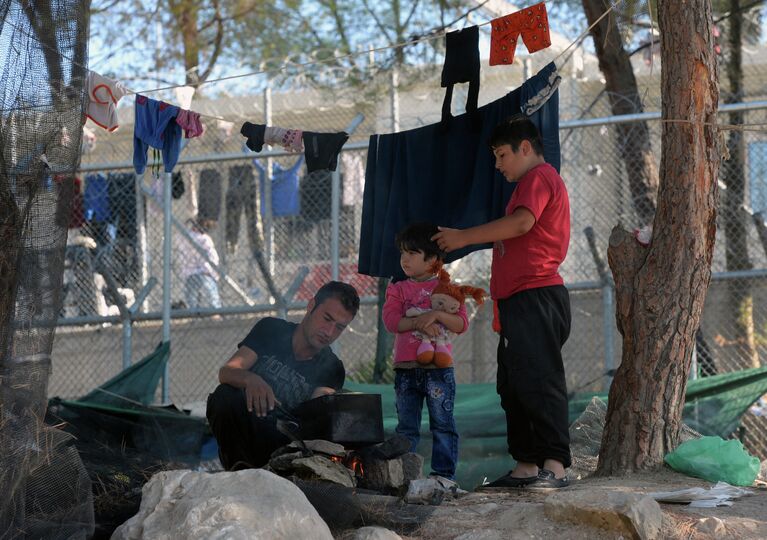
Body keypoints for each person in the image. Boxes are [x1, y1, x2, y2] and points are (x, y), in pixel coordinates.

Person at [432, 114, 572, 489]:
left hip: (536, 297)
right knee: (513, 386)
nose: (497, 165)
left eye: (501, 155)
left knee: (540, 381)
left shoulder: (538, 178)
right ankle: (526, 465)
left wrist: (464, 238)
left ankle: (555, 466)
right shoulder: (525, 183)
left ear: (525, 148)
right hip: (515, 303)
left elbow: (522, 224)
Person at [206, 281, 360, 470]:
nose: (329, 332)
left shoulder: (333, 367)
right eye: (326, 318)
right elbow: (227, 371)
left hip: (284, 442)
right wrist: (251, 380)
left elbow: (318, 412)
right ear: (311, 306)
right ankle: (239, 471)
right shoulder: (271, 330)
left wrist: (330, 403)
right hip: (247, 430)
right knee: (224, 396)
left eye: (339, 327)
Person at [382, 222, 469, 485]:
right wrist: (422, 322)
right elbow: (392, 322)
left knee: (442, 423)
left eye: (412, 253)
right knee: (406, 427)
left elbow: (461, 323)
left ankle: (443, 476)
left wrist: (436, 314)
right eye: (402, 253)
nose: (404, 259)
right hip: (406, 370)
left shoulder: (448, 288)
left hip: (439, 371)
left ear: (432, 260)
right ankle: (404, 478)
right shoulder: (397, 288)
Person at [178, 217, 222, 310]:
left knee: (192, 298)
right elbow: (213, 258)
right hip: (205, 274)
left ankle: (193, 314)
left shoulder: (184, 238)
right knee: (211, 296)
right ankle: (215, 313)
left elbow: (181, 256)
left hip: (190, 274)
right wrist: (213, 273)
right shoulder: (205, 239)